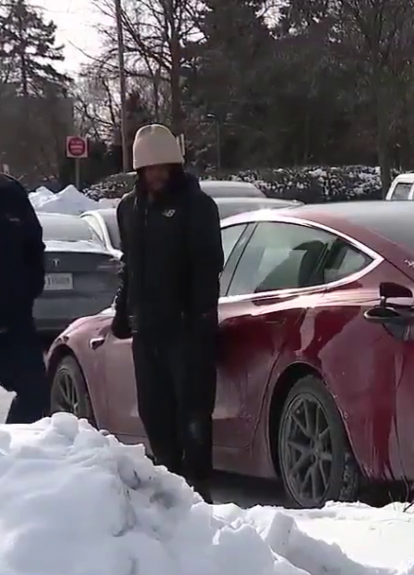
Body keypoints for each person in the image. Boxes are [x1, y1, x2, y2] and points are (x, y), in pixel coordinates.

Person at [110, 124, 223, 502]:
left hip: (187, 330)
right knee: (154, 412)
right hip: (148, 329)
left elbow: (208, 263)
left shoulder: (196, 205)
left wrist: (199, 314)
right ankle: (169, 482)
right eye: (151, 168)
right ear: (140, 170)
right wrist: (123, 308)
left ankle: (198, 486)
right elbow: (130, 264)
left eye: (165, 167)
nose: (158, 174)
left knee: (192, 412)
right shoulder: (129, 209)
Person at [0, 173, 47, 424]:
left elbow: (34, 245)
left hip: (15, 320)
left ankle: (15, 453)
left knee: (35, 395)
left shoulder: (11, 192)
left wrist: (30, 286)